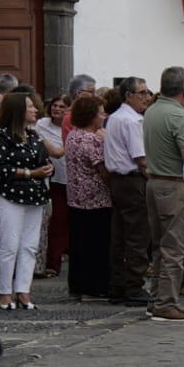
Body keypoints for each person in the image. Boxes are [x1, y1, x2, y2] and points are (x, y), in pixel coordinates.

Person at [0, 92, 54, 312]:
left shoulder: (33, 136)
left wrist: (46, 169)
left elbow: (43, 159)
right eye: (30, 107)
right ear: (18, 110)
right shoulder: (0, 137)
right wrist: (30, 173)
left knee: (29, 246)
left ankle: (23, 289)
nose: (35, 110)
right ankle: (4, 292)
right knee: (9, 245)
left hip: (34, 197)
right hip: (9, 196)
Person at [142, 67, 184, 322]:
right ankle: (166, 302)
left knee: (160, 247)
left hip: (153, 182)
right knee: (175, 248)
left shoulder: (151, 111)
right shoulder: (178, 116)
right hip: (174, 184)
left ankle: (156, 299)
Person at [105, 77, 152, 306]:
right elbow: (141, 159)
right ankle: (134, 286)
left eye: (146, 92)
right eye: (141, 93)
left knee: (120, 235)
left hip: (117, 181)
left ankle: (119, 285)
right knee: (136, 235)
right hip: (131, 180)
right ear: (128, 96)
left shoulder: (115, 118)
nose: (146, 97)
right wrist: (151, 179)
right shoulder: (132, 121)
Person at [63, 96, 110, 301]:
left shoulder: (73, 135)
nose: (104, 116)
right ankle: (94, 287)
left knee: (78, 244)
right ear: (91, 116)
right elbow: (103, 169)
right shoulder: (91, 140)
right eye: (101, 112)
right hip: (95, 199)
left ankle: (77, 285)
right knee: (96, 246)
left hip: (75, 197)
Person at [34, 94, 68, 277]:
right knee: (55, 221)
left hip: (70, 179)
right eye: (55, 105)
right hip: (53, 180)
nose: (57, 109)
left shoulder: (71, 126)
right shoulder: (41, 125)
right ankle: (51, 263)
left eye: (62, 106)